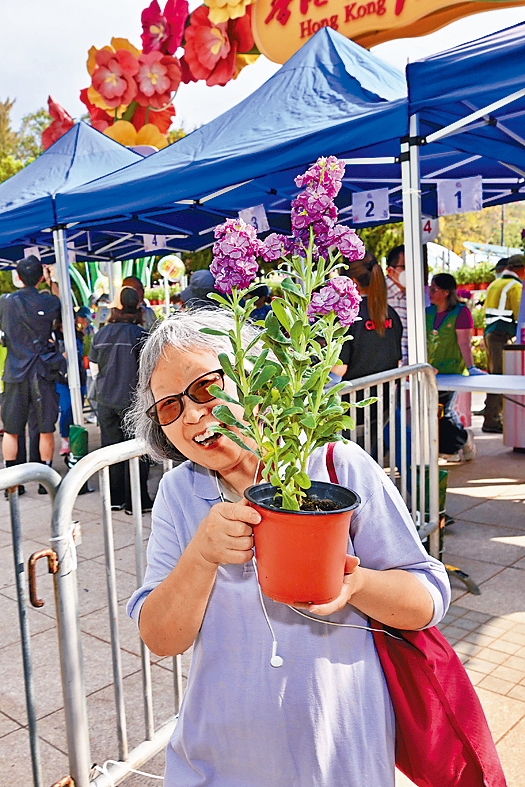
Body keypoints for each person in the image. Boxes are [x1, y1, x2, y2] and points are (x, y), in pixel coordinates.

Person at [125, 309, 450, 787]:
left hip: (339, 756)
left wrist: (355, 583)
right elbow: (161, 638)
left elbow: (426, 599)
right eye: (169, 407)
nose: (193, 414)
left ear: (256, 380)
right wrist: (201, 555)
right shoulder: (178, 493)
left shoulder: (336, 466)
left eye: (207, 388)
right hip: (216, 761)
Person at [89, 287, 153, 513]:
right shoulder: (139, 334)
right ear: (137, 305)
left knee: (111, 451)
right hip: (133, 401)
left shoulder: (100, 334)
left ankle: (115, 499)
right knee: (138, 450)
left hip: (105, 400)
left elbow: (94, 369)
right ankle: (137, 502)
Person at [333, 252, 403, 451]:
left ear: (351, 282)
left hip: (352, 407)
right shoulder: (391, 314)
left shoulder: (349, 317)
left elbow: (339, 369)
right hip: (382, 405)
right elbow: (394, 359)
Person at [0, 256, 61, 483]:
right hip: (41, 372)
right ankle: (47, 483)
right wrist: (51, 281)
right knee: (45, 428)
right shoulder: (48, 302)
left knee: (11, 429)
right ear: (40, 278)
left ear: (17, 277)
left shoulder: (5, 302)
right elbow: (60, 302)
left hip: (15, 372)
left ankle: (12, 484)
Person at [426, 273, 480, 461]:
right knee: (434, 411)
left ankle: (460, 442)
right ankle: (455, 446)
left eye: (434, 289)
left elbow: (464, 343)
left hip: (452, 373)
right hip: (430, 372)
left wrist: (471, 368)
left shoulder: (461, 312)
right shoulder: (428, 312)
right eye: (430, 289)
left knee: (444, 412)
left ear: (446, 292)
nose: (430, 293)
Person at [482, 254, 525, 433]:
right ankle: (492, 420)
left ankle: (490, 414)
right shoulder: (515, 286)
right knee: (500, 378)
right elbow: (520, 314)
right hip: (501, 336)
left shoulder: (495, 284)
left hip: (490, 333)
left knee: (494, 376)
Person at [386, 244, 408, 365]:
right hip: (389, 370)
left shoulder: (414, 293)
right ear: (390, 270)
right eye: (405, 266)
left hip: (411, 370)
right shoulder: (378, 293)